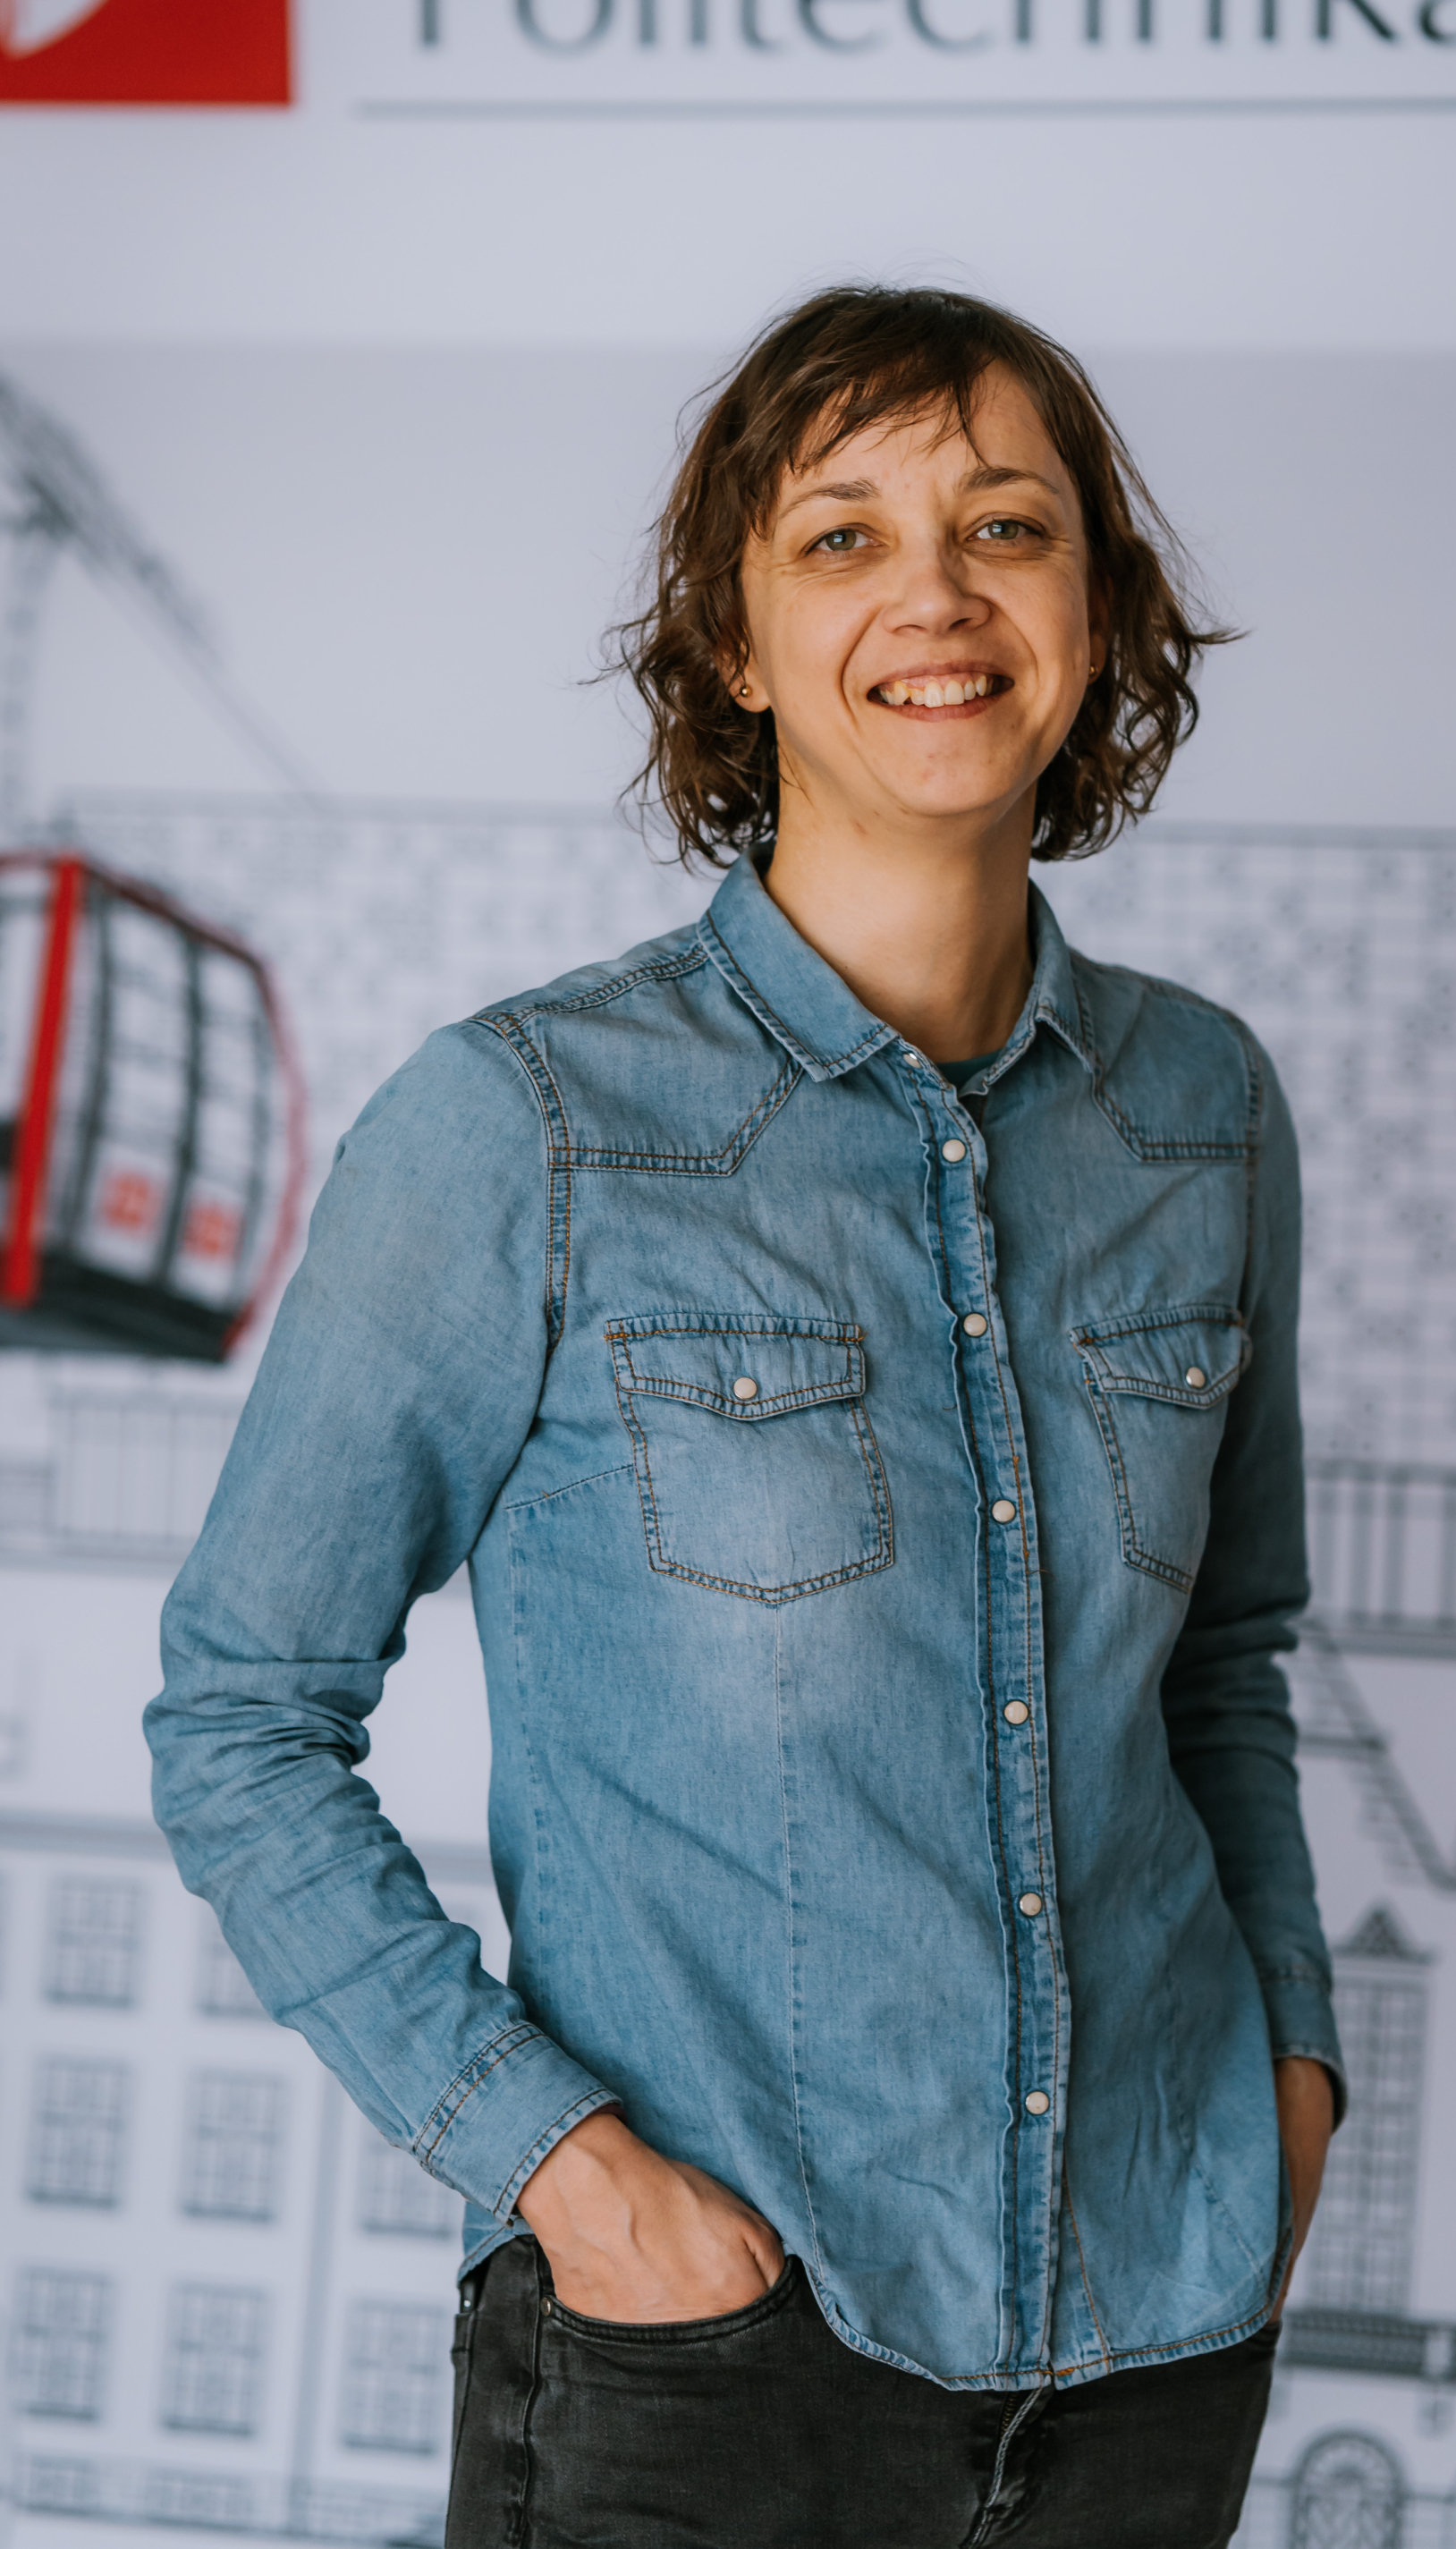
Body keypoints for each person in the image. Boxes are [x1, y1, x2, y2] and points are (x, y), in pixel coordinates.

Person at [148, 284, 1342, 2549]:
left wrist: (1281, 2088)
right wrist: (566, 2179)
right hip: (707, 2361)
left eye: (1006, 525)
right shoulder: (524, 1125)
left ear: (1096, 610)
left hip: (1159, 2339)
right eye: (841, 538)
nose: (934, 597)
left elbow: (1223, 1665)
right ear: (729, 638)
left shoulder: (1198, 1107)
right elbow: (240, 1715)